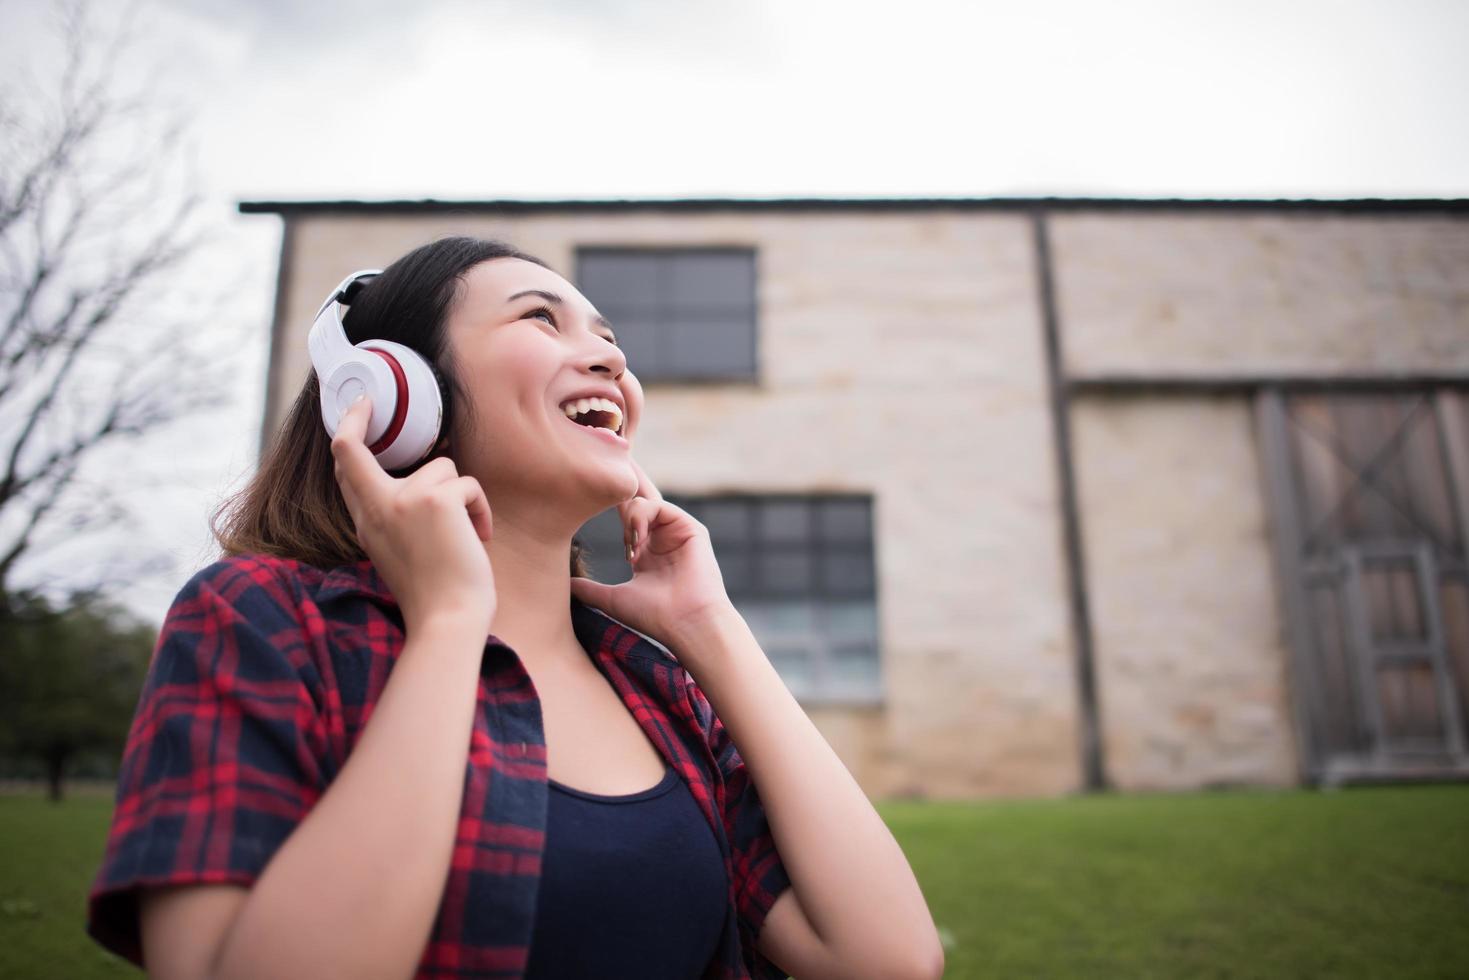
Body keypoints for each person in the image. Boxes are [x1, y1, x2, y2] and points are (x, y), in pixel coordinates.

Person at [84, 236, 944, 979]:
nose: (610, 357)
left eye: (610, 339)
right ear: (393, 397)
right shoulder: (265, 623)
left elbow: (885, 959)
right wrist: (453, 622)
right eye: (542, 319)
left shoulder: (659, 689)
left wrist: (710, 629)